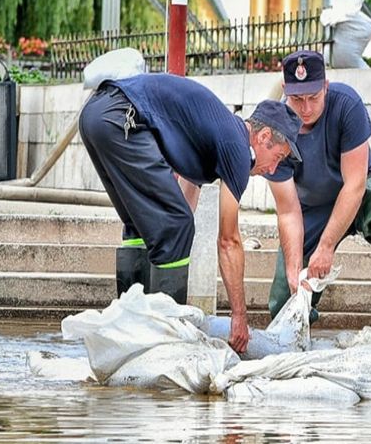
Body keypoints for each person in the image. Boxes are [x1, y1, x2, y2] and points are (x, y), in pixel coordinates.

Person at [78, 73, 302, 354]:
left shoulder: (217, 132)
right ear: (264, 136)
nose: (272, 170)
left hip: (95, 115)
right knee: (175, 226)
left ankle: (129, 334)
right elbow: (228, 240)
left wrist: (174, 232)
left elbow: (184, 202)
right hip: (122, 119)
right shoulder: (237, 148)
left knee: (144, 226)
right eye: (278, 157)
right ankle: (165, 345)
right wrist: (239, 317)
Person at [266, 50, 371, 341]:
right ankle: (301, 337)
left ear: (326, 87)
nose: (306, 108)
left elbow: (355, 184)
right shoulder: (275, 129)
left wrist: (326, 246)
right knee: (282, 301)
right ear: (285, 91)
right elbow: (287, 211)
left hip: (361, 187)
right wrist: (296, 269)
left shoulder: (347, 104)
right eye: (297, 99)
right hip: (311, 207)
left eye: (313, 97)